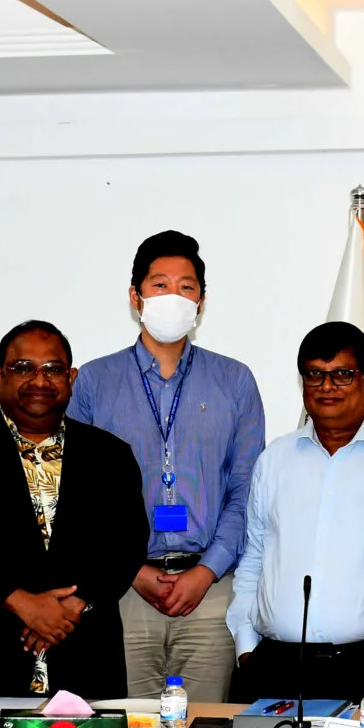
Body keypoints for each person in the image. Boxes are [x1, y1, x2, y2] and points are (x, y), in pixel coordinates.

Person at [68, 230, 264, 701]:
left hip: (210, 592)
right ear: (135, 296)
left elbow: (246, 490)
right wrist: (130, 570)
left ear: (201, 301)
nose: (173, 296)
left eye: (186, 287)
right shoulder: (94, 381)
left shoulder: (235, 380)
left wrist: (207, 571)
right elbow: (77, 494)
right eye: (160, 285)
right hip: (122, 592)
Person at [0, 321, 147, 699]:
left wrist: (71, 607)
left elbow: (128, 544)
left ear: (71, 378)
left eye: (53, 369)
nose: (39, 380)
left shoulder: (110, 455)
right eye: (23, 367)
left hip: (85, 658)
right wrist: (23, 603)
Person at [227, 322, 364, 705]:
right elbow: (253, 558)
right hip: (273, 665)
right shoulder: (275, 458)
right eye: (314, 375)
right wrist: (246, 645)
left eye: (343, 374)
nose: (327, 386)